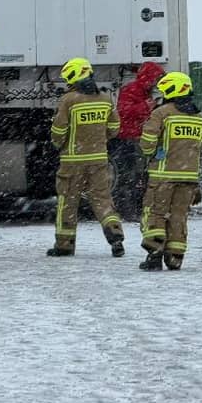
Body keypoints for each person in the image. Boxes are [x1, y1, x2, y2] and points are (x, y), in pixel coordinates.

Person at [48, 57, 125, 258]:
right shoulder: (105, 99)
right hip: (99, 160)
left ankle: (64, 245)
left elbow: (58, 130)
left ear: (73, 76)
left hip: (72, 162)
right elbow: (115, 128)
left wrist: (58, 144)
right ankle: (115, 232)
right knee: (102, 199)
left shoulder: (69, 100)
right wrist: (100, 140)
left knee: (68, 202)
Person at [137, 72, 202, 270]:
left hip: (163, 175)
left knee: (156, 213)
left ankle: (154, 253)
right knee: (178, 216)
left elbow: (148, 143)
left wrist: (151, 153)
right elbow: (197, 147)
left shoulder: (162, 113)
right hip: (189, 177)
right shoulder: (199, 118)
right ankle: (175, 257)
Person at [111, 62, 164, 221]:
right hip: (128, 139)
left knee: (136, 175)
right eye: (156, 78)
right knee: (130, 176)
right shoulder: (133, 91)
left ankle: (133, 209)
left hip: (134, 138)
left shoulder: (141, 91)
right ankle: (128, 210)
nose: (156, 82)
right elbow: (124, 111)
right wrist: (147, 106)